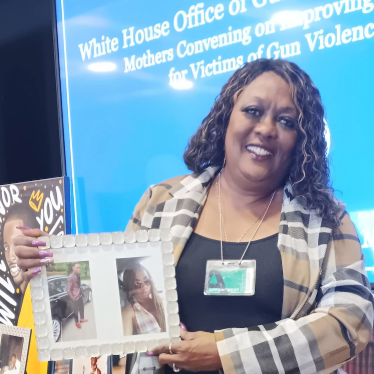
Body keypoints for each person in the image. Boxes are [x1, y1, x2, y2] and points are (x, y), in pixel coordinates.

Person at [14, 58, 373, 374]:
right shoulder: (161, 201)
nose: (266, 128)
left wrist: (225, 353)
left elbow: (350, 322)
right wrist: (47, 266)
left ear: (302, 139)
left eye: (286, 121)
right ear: (226, 117)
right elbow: (117, 307)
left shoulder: (325, 219)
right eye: (253, 111)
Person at [121, 262, 166, 336]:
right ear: (130, 286)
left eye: (146, 280)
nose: (144, 287)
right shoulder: (129, 312)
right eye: (137, 284)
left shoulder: (162, 302)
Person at [67, 263, 88, 329]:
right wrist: (73, 298)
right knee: (75, 310)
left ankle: (82, 319)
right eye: (77, 267)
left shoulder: (78, 275)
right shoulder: (70, 277)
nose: (79, 269)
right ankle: (77, 322)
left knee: (81, 307)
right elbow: (68, 289)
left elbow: (78, 286)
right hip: (74, 297)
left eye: (79, 267)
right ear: (73, 268)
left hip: (80, 295)